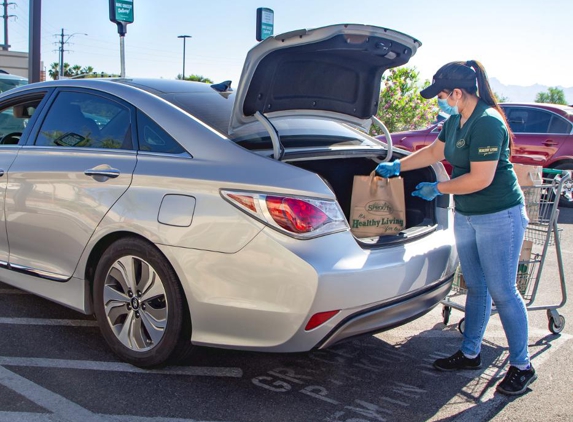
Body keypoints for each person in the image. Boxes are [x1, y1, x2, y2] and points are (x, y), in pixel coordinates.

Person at [376, 60, 535, 396]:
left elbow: (481, 178)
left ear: (458, 93)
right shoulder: (456, 120)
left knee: (504, 292)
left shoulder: (488, 123)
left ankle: (522, 365)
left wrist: (439, 188)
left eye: (443, 96)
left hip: (499, 216)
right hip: (467, 215)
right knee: (476, 287)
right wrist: (398, 166)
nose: (440, 102)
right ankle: (470, 353)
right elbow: (434, 151)